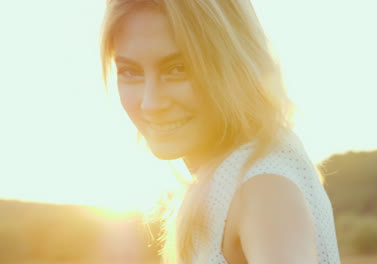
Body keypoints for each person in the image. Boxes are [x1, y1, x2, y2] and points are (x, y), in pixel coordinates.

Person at [100, 0, 341, 263]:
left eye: (178, 69)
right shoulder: (223, 183)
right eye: (130, 72)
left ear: (235, 66)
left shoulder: (263, 188)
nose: (150, 103)